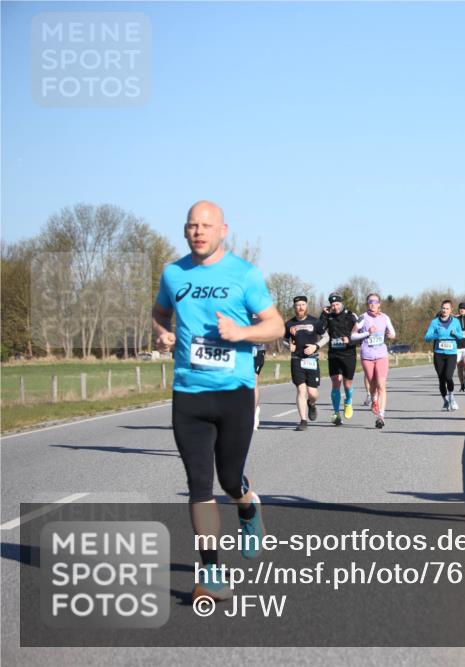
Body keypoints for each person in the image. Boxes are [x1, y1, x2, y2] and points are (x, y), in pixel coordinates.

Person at [152, 200, 284, 602]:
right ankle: (211, 569)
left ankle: (248, 507)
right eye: (192, 225)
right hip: (189, 394)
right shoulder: (174, 274)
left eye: (206, 226)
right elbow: (159, 314)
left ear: (223, 230)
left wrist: (242, 334)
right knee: (198, 483)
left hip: (234, 394)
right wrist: (161, 333)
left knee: (229, 480)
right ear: (185, 229)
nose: (198, 232)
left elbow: (275, 325)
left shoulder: (244, 274)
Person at [352, 292, 396, 429]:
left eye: (375, 301)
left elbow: (393, 333)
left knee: (381, 385)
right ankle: (374, 398)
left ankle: (381, 416)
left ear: (379, 304)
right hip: (367, 355)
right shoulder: (362, 318)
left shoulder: (385, 318)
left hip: (382, 354)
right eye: (370, 301)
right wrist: (367, 333)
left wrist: (391, 335)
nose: (373, 304)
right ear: (367, 303)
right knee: (372, 384)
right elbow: (352, 336)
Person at [284, 296, 328, 432]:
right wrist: (288, 345)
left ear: (306, 306)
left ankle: (312, 404)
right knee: (301, 390)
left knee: (312, 393)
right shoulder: (289, 324)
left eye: (303, 304)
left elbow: (326, 337)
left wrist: (316, 346)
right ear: (294, 307)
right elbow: (284, 340)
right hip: (297, 359)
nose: (300, 307)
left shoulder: (315, 321)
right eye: (298, 305)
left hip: (312, 360)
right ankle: (303, 420)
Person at [318, 292, 359, 426]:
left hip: (348, 354)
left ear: (341, 303)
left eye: (337, 304)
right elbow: (318, 329)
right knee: (336, 382)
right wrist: (323, 314)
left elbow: (360, 335)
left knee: (347, 384)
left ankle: (348, 401)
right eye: (332, 305)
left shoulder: (351, 316)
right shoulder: (328, 316)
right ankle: (336, 413)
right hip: (334, 354)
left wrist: (349, 341)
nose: (335, 307)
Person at [424, 299, 464, 410]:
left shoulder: (456, 322)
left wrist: (455, 333)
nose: (445, 310)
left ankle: (452, 396)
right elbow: (426, 338)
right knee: (441, 379)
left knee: (448, 376)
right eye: (443, 308)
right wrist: (435, 335)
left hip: (451, 353)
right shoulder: (434, 322)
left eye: (447, 308)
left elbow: (461, 336)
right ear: (441, 309)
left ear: (451, 310)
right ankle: (445, 400)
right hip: (439, 354)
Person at [252, 314, 267, 431]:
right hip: (239, 349)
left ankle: (254, 412)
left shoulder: (262, 309)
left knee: (253, 380)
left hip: (257, 349)